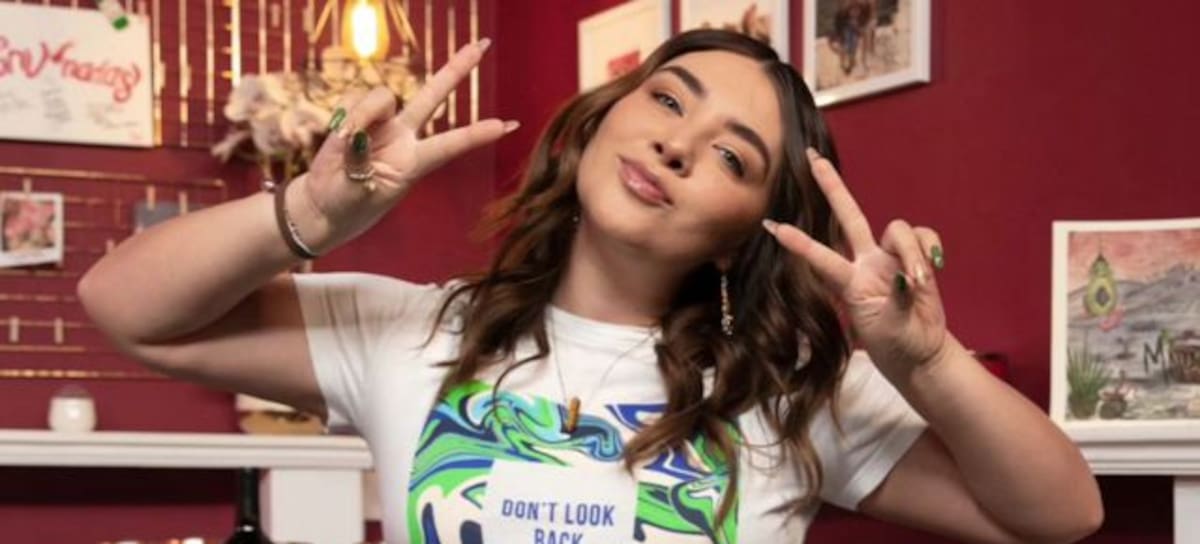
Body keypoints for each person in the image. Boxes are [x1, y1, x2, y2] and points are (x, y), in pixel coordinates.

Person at [78, 30, 1102, 543]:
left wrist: (925, 361)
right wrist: (308, 213)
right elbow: (127, 308)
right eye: (668, 99)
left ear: (746, 232)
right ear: (605, 116)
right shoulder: (418, 330)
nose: (676, 143)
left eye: (732, 156)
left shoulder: (786, 384)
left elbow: (1061, 516)